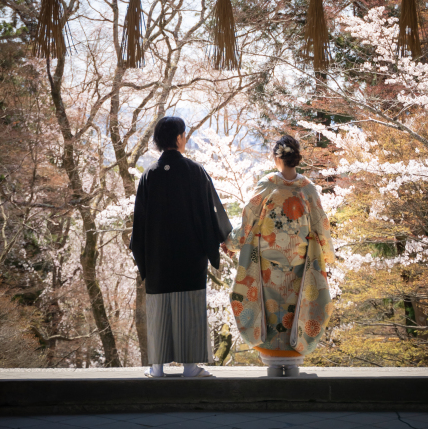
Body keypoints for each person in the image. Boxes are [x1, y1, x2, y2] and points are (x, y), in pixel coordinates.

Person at [130, 114, 232, 378]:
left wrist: (143, 255)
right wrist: (223, 239)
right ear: (178, 137)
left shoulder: (149, 175)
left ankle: (157, 368)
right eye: (184, 135)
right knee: (190, 306)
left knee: (159, 308)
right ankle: (190, 367)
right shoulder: (195, 171)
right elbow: (211, 212)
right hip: (190, 255)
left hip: (158, 258)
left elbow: (139, 223)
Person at [228, 134, 335, 377]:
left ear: (277, 158)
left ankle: (272, 363)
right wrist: (327, 253)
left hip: (267, 267)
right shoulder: (307, 188)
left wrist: (232, 242)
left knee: (270, 310)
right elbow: (321, 224)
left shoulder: (267, 185)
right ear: (296, 157)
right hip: (300, 265)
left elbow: (248, 219)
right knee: (297, 309)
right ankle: (293, 360)